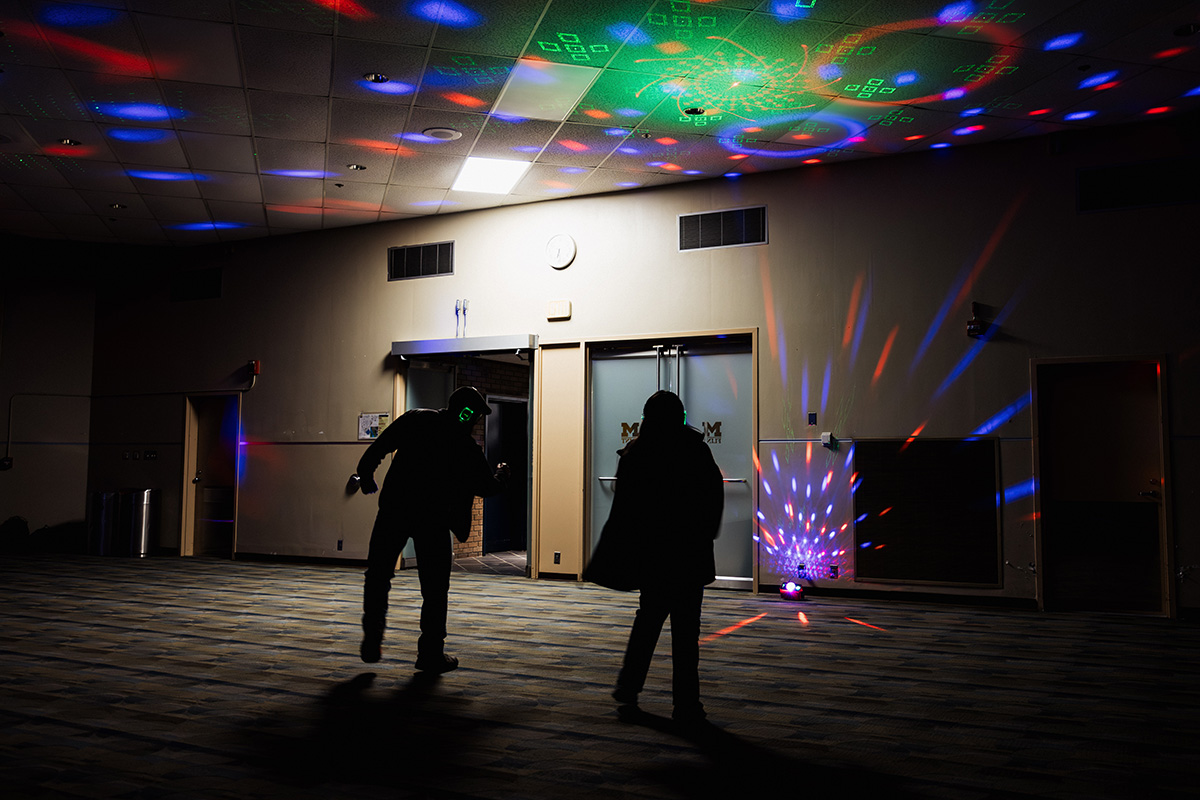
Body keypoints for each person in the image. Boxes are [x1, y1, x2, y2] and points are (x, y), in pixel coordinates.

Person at [353, 386, 509, 673]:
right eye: (473, 415)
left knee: (378, 575)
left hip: (394, 511)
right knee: (435, 590)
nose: (474, 420)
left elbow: (380, 445)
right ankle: (430, 653)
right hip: (434, 520)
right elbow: (488, 487)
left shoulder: (416, 419)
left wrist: (366, 475)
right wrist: (502, 473)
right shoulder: (465, 446)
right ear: (466, 413)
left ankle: (372, 637)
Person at [595, 390, 724, 724]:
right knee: (686, 635)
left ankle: (629, 686)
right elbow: (712, 499)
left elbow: (624, 509)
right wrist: (703, 535)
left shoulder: (637, 452)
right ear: (680, 416)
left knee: (648, 622)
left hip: (653, 556)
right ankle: (686, 705)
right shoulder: (696, 450)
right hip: (688, 557)